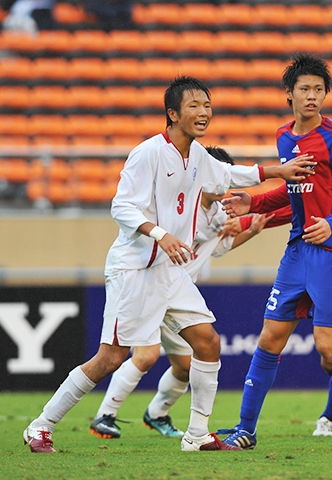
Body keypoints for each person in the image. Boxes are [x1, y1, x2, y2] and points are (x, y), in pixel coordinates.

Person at [23, 75, 315, 454]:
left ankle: (196, 435)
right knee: (111, 357)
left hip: (169, 271)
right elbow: (121, 206)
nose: (204, 112)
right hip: (135, 267)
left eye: (207, 105)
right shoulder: (148, 153)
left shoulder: (197, 156)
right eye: (194, 106)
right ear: (173, 113)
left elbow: (227, 175)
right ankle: (40, 426)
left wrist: (276, 171)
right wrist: (161, 234)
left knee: (208, 343)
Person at [216, 52, 332, 451]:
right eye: (305, 89)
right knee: (269, 338)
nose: (312, 96)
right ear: (290, 94)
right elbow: (294, 190)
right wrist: (255, 203)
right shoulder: (285, 136)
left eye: (319, 89)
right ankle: (245, 430)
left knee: (329, 347)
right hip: (298, 251)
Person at [88, 147, 274, 440]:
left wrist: (249, 231)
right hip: (156, 283)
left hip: (179, 292)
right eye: (220, 178)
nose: (224, 186)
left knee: (186, 365)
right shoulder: (190, 206)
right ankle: (105, 415)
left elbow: (218, 248)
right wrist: (230, 227)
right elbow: (186, 234)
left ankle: (157, 413)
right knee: (145, 355)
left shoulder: (216, 212)